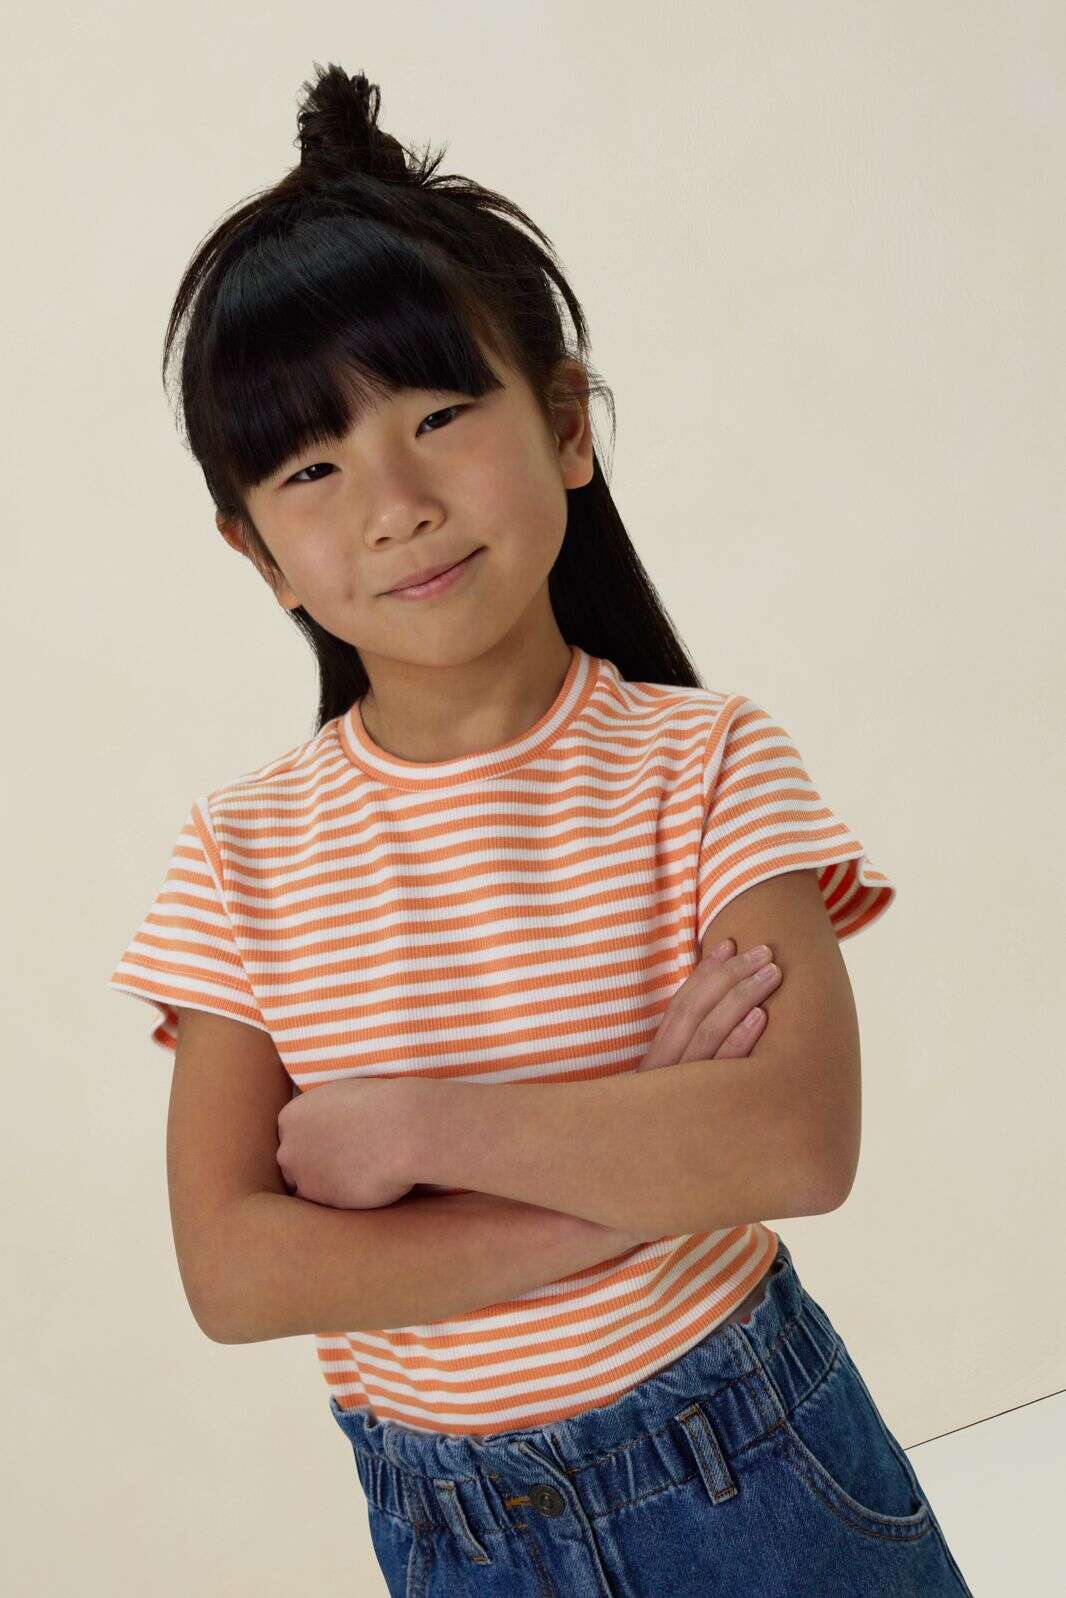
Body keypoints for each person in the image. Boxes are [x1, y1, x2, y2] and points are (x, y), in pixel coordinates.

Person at [108, 62, 973, 1597]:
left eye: (442, 414)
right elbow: (235, 1273)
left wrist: (411, 1132)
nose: (394, 502)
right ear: (260, 555)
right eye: (312, 468)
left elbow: (793, 1141)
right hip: (459, 1535)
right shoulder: (241, 856)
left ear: (566, 422)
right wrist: (639, 1149)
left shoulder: (701, 762)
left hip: (758, 1475)